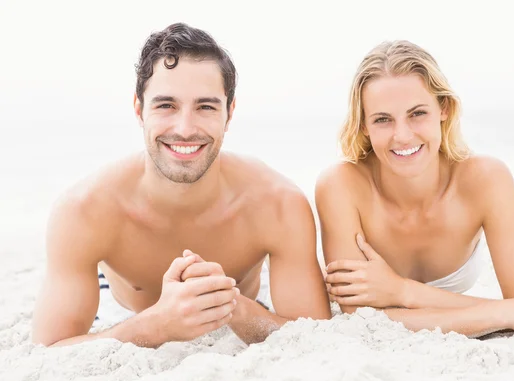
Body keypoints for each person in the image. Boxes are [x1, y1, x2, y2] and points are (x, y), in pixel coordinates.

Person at [32, 22, 331, 348]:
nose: (185, 128)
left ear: (229, 114)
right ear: (139, 110)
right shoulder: (84, 211)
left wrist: (229, 304)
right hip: (122, 311)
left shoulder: (278, 204)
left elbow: (316, 335)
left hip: (242, 308)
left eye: (205, 106)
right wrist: (157, 324)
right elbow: (49, 349)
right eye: (166, 105)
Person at [315, 40, 514, 338]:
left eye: (417, 114)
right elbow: (359, 318)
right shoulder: (341, 186)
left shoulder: (487, 180)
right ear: (364, 125)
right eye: (383, 119)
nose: (402, 136)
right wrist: (505, 313)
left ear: (444, 108)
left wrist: (402, 291)